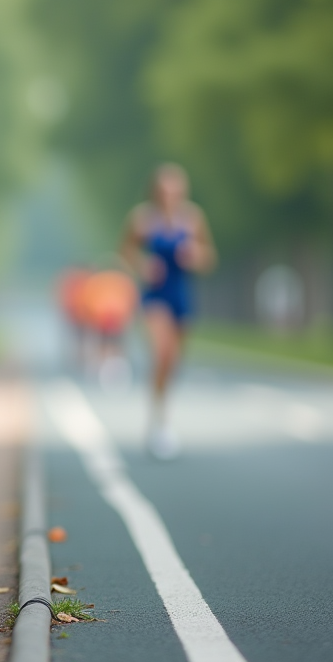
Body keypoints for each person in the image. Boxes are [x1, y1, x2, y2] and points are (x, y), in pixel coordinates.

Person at [120, 163, 215, 460]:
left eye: (174, 190)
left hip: (181, 295)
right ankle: (159, 424)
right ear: (154, 192)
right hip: (155, 297)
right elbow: (125, 253)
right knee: (162, 353)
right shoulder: (142, 219)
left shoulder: (193, 218)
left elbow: (209, 257)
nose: (169, 195)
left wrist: (195, 256)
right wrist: (143, 266)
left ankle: (162, 406)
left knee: (173, 361)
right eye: (163, 190)